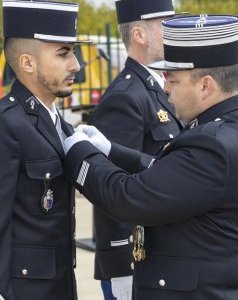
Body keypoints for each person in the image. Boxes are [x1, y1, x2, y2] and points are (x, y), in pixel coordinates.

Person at [64, 15, 238, 299]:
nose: (165, 88)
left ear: (205, 86)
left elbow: (129, 197)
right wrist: (111, 151)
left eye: (173, 79)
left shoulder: (212, 145)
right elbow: (171, 175)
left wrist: (78, 152)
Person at [0, 1, 87, 299]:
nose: (75, 65)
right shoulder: (0, 127)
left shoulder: (56, 122)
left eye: (74, 52)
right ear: (28, 63)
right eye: (63, 53)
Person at [87, 0, 181, 299]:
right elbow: (110, 187)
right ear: (139, 35)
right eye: (164, 25)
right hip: (136, 260)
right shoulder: (126, 96)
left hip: (163, 251)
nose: (173, 31)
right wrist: (120, 266)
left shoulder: (161, 85)